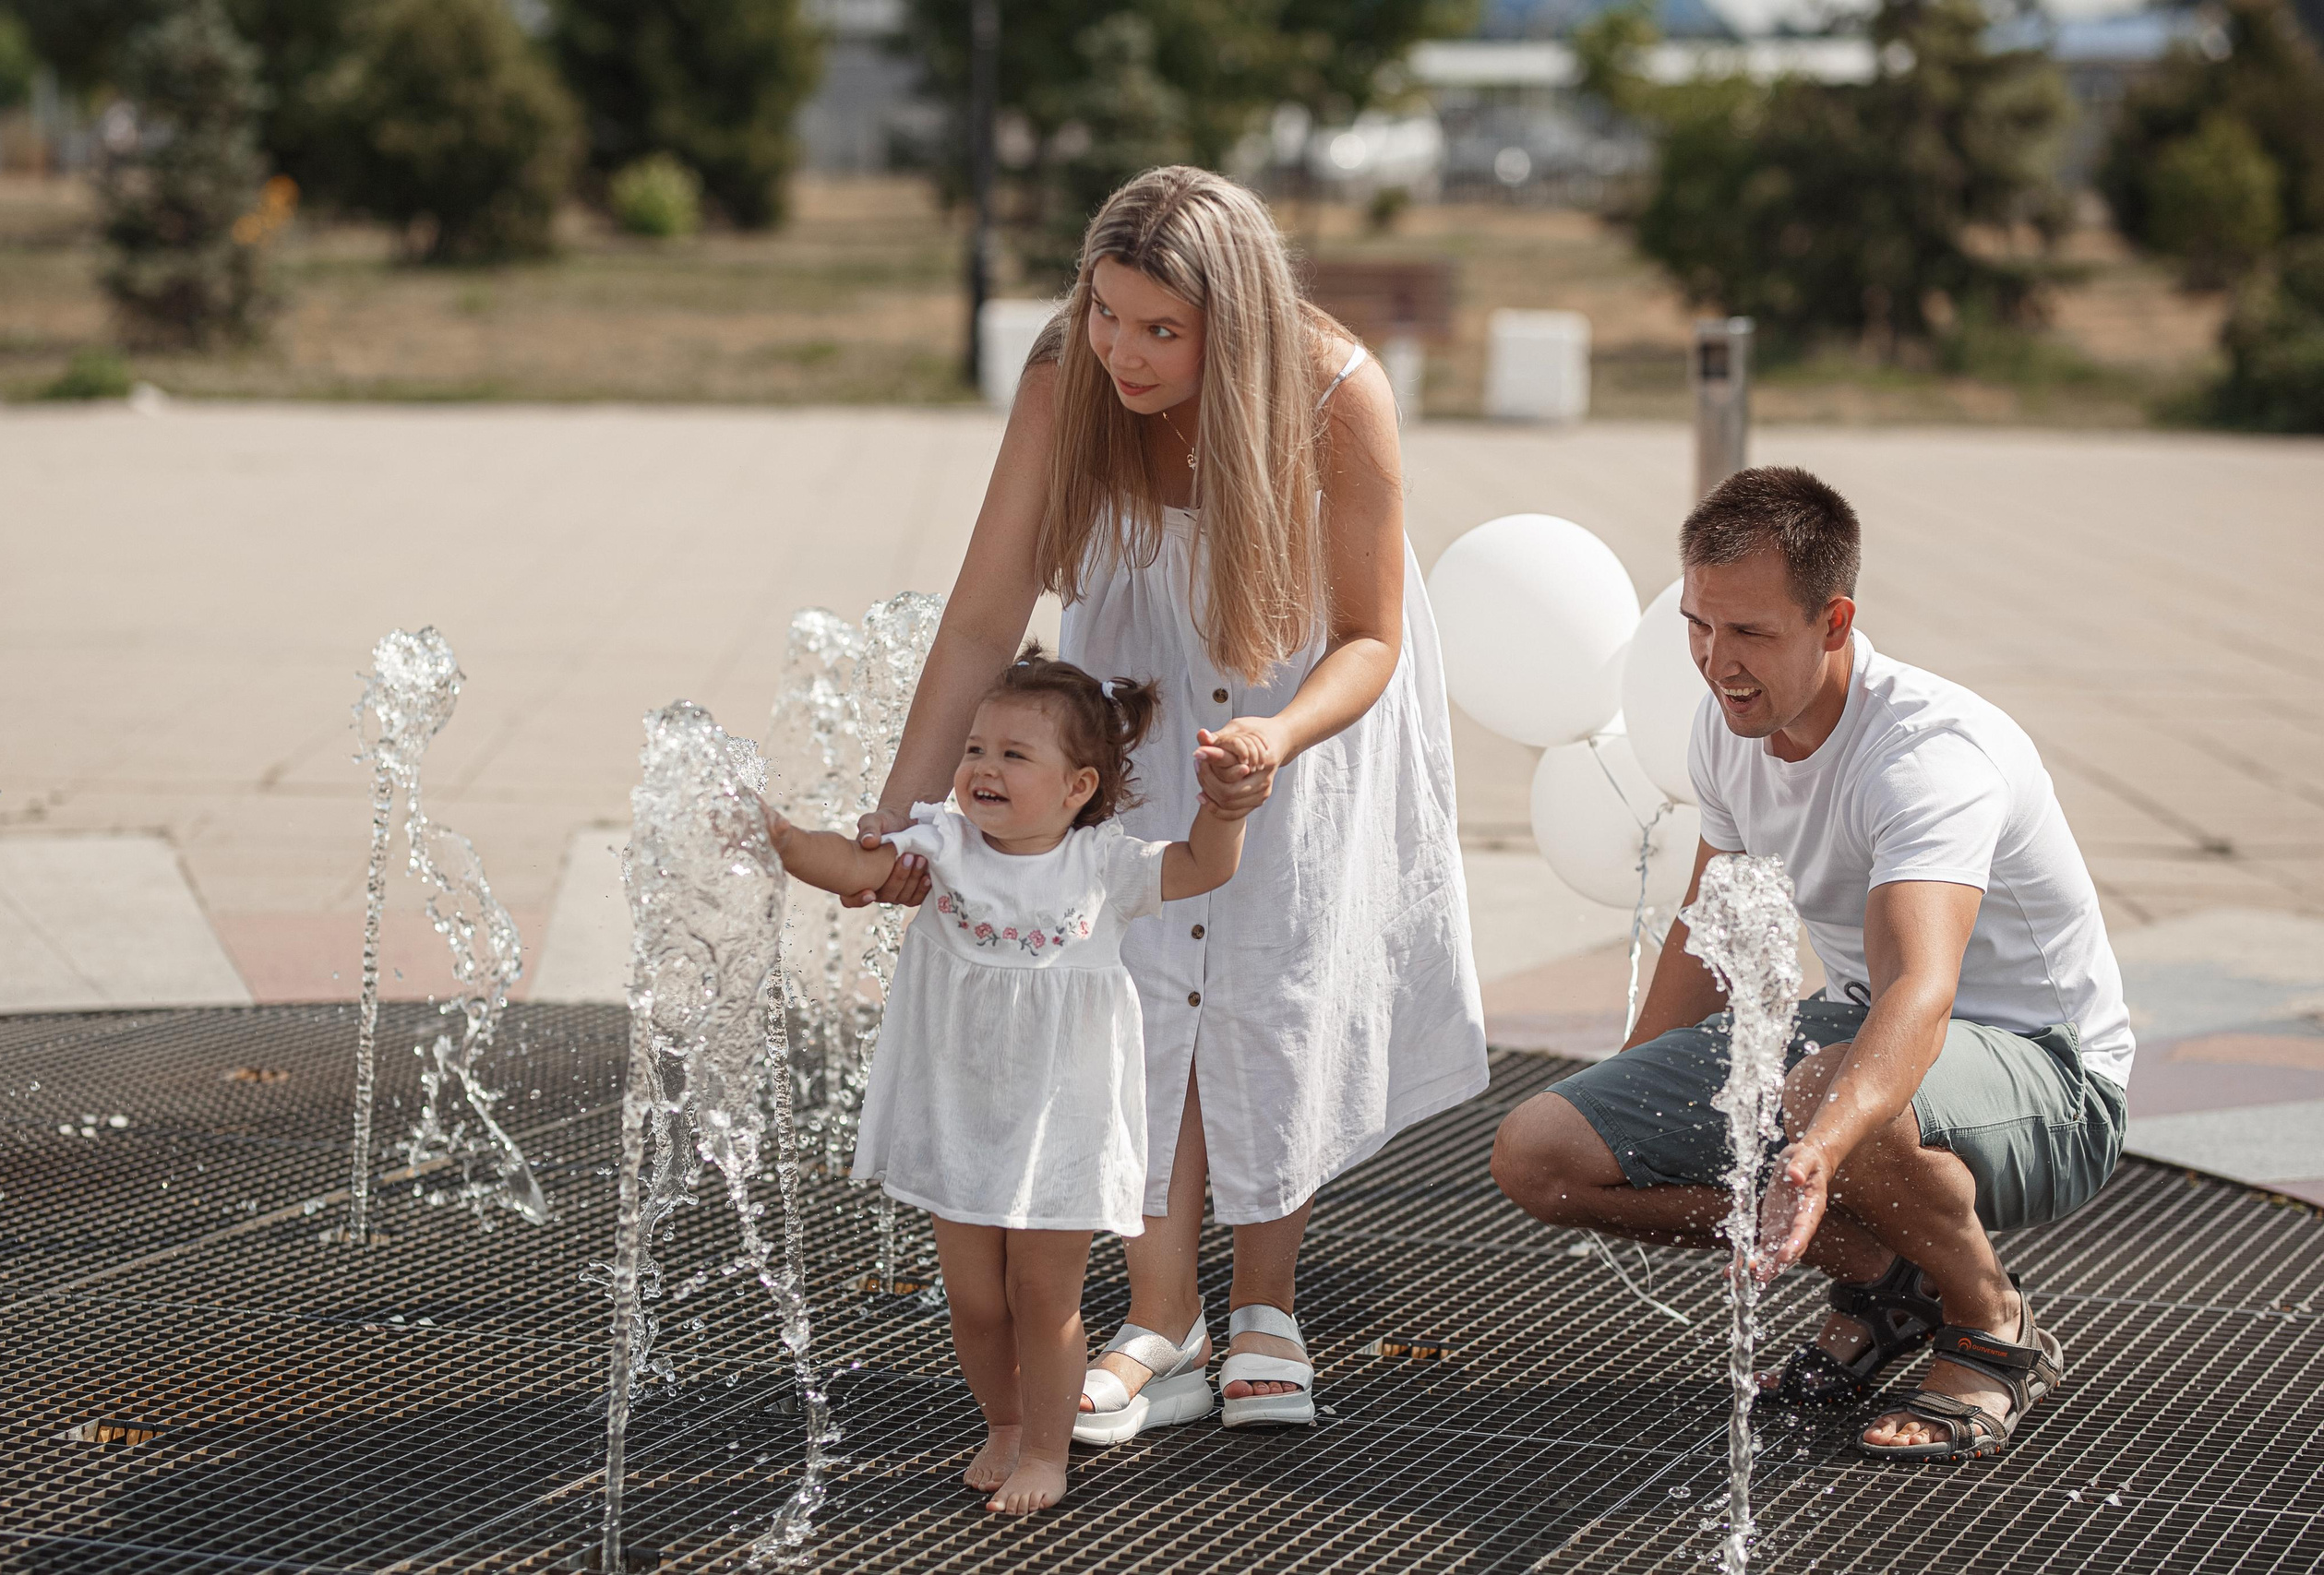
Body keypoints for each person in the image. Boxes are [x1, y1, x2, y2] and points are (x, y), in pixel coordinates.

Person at [842, 165, 1489, 1441]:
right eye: (1105, 312)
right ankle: (1164, 1317)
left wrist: (1276, 734)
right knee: (1136, 979)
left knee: (1268, 973)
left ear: (1231, 324)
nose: (1122, 353)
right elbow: (984, 615)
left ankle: (1266, 1306)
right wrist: (902, 812)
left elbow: (1370, 633)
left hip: (1300, 708)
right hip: (1137, 683)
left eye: (1160, 330)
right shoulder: (1063, 382)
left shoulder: (1333, 388)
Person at [1490, 466, 2133, 1464]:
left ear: (1833, 622)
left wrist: (1821, 1147)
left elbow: (1920, 990)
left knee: (1827, 1093)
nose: (1715, 661)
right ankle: (1885, 1271)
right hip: (1860, 1047)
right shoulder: (1728, 725)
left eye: (1749, 633)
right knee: (1539, 1153)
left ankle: (1990, 1320)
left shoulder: (1924, 755)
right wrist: (1624, 1096)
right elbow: (1708, 927)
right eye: (1699, 625)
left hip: (2049, 1077)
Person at [766, 646, 1254, 1512]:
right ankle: (1002, 1417)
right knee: (973, 1298)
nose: (983, 768)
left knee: (1043, 1296)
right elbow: (853, 868)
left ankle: (1044, 1449)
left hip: (1063, 1122)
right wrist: (783, 841)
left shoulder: (1103, 864)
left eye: (1013, 755)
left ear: (1078, 787)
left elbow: (1203, 867)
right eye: (976, 749)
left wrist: (1225, 808)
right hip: (964, 1110)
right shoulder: (944, 844)